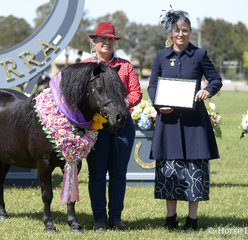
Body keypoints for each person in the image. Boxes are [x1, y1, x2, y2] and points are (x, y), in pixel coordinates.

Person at [147, 10, 222, 231]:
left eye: (185, 30)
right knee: (169, 169)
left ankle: (192, 219)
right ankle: (170, 218)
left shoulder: (199, 55)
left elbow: (216, 79)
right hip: (168, 123)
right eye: (177, 30)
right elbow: (152, 85)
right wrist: (158, 104)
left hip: (194, 124)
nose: (181, 34)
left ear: (190, 32)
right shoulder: (161, 56)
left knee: (194, 169)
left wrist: (207, 91)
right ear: (171, 33)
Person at [81, 21, 143, 231]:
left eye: (110, 39)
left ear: (114, 42)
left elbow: (136, 92)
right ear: (94, 41)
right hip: (95, 129)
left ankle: (115, 218)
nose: (106, 42)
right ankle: (99, 219)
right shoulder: (85, 67)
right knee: (97, 174)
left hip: (122, 126)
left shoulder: (125, 66)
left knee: (119, 174)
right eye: (102, 39)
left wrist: (122, 105)